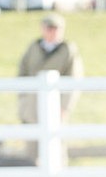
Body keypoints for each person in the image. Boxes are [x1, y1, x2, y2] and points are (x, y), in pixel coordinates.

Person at [17, 13, 84, 165]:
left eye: (56, 29)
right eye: (49, 28)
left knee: (57, 150)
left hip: (56, 107)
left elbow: (74, 80)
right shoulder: (33, 47)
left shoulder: (68, 50)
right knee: (31, 153)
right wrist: (23, 101)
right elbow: (22, 73)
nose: (53, 32)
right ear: (43, 29)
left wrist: (65, 107)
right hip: (32, 108)